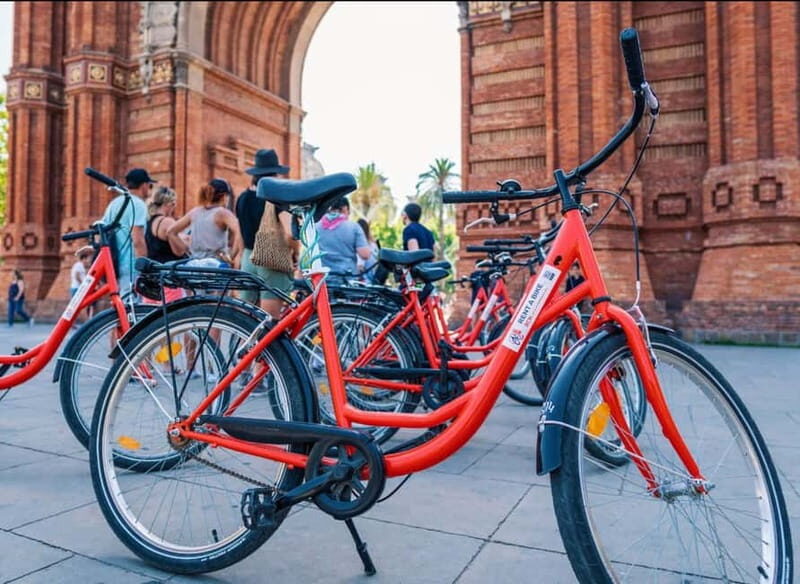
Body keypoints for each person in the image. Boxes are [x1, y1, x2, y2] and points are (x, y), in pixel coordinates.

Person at [235, 148, 297, 319]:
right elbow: (290, 234)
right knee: (269, 323)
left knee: (246, 321)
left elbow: (240, 233)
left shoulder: (242, 198)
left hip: (247, 259)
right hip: (270, 260)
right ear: (275, 174)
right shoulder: (276, 198)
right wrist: (295, 252)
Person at [167, 179, 243, 269]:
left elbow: (171, 231)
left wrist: (185, 250)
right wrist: (231, 256)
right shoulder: (222, 213)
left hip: (195, 265)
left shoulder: (195, 212)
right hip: (216, 266)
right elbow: (240, 230)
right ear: (224, 196)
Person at [102, 168, 154, 295]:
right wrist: (144, 269)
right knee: (132, 309)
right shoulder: (138, 205)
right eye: (150, 185)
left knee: (120, 306)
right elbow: (138, 240)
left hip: (113, 265)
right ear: (144, 185)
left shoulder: (114, 204)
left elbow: (102, 232)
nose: (149, 189)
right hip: (131, 267)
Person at [144, 186, 187, 304]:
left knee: (151, 318)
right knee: (174, 318)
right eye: (174, 204)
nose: (174, 208)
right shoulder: (167, 222)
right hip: (168, 279)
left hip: (152, 279)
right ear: (168, 204)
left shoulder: (149, 222)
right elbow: (180, 251)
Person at [317, 196, 371, 284]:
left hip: (322, 280)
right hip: (346, 280)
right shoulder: (354, 227)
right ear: (345, 209)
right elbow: (365, 254)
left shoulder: (316, 226)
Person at [356, 218, 379, 283]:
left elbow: (360, 268)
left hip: (366, 281)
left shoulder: (362, 247)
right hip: (375, 278)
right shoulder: (374, 244)